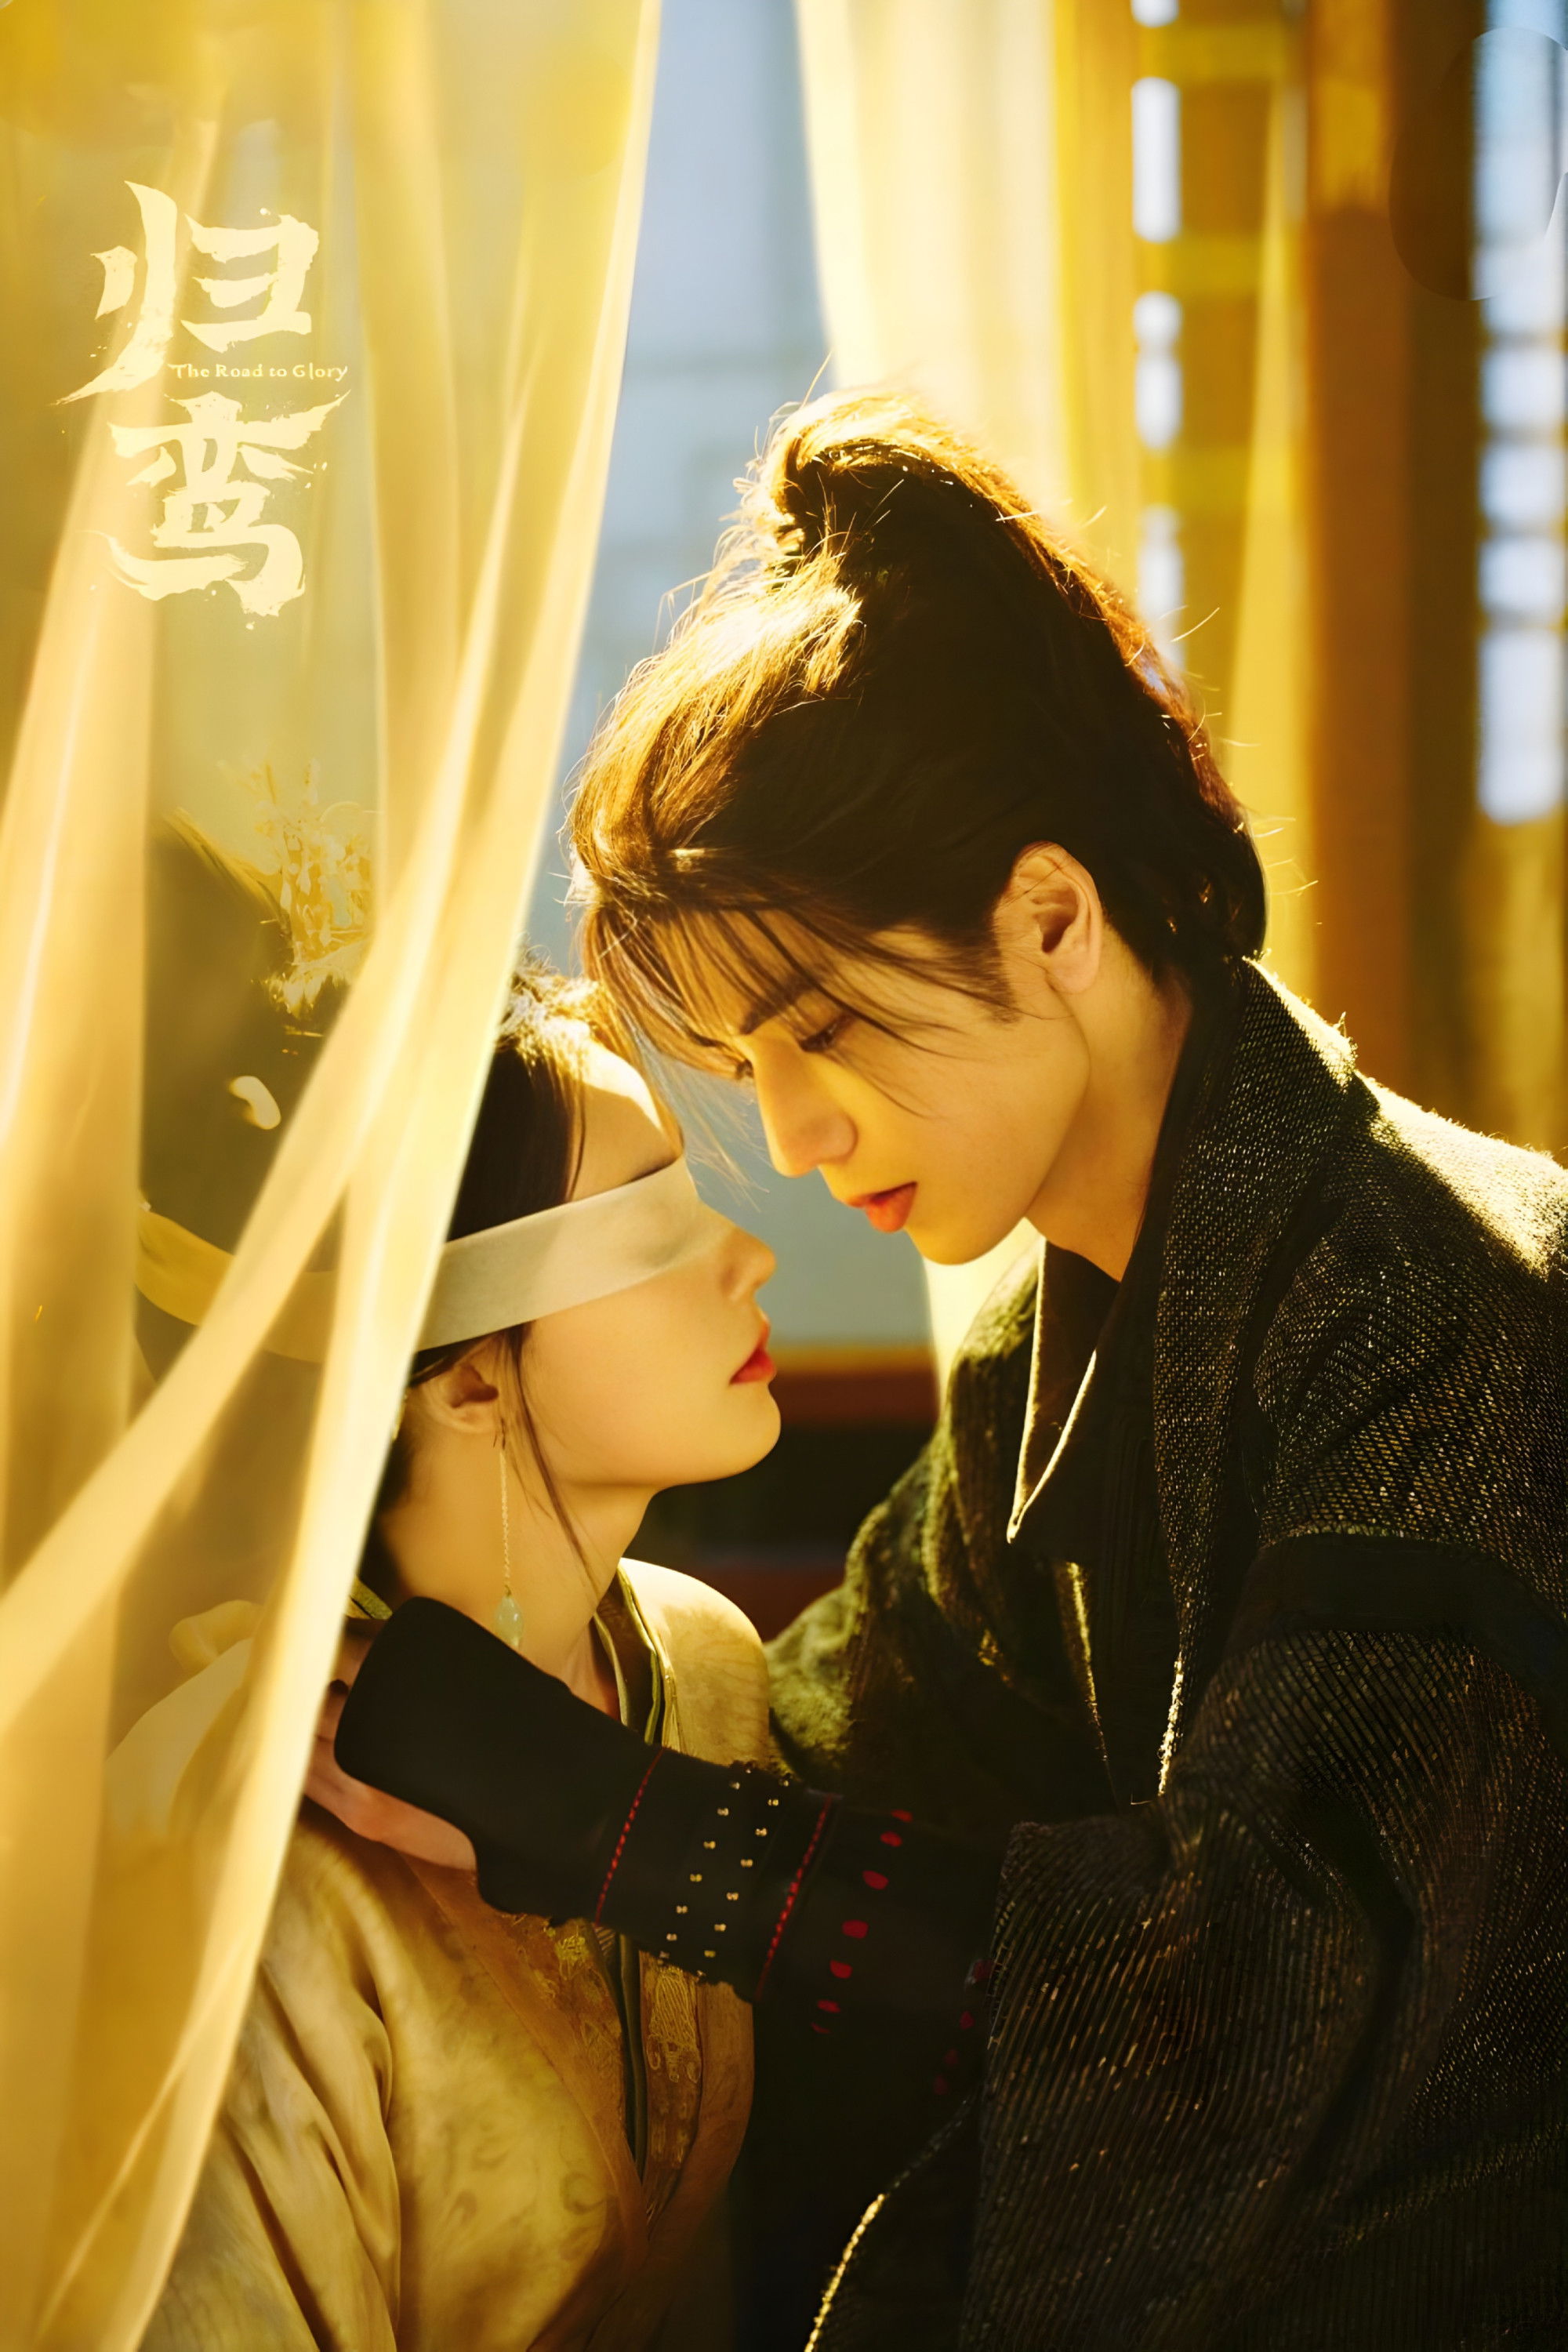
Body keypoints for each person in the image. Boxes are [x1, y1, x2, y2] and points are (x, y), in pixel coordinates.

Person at [325, 393, 1568, 2348]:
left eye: (822, 1029)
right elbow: (834, 1763)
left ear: (1050, 917)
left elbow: (1243, 2014)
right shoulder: (1038, 1354)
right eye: (746, 1069)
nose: (794, 1138)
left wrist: (600, 1817)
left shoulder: (1446, 1313)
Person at [142, 963, 789, 2352]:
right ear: (472, 1377)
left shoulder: (709, 1667)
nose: (751, 1256)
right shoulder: (276, 1865)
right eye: (653, 1226)